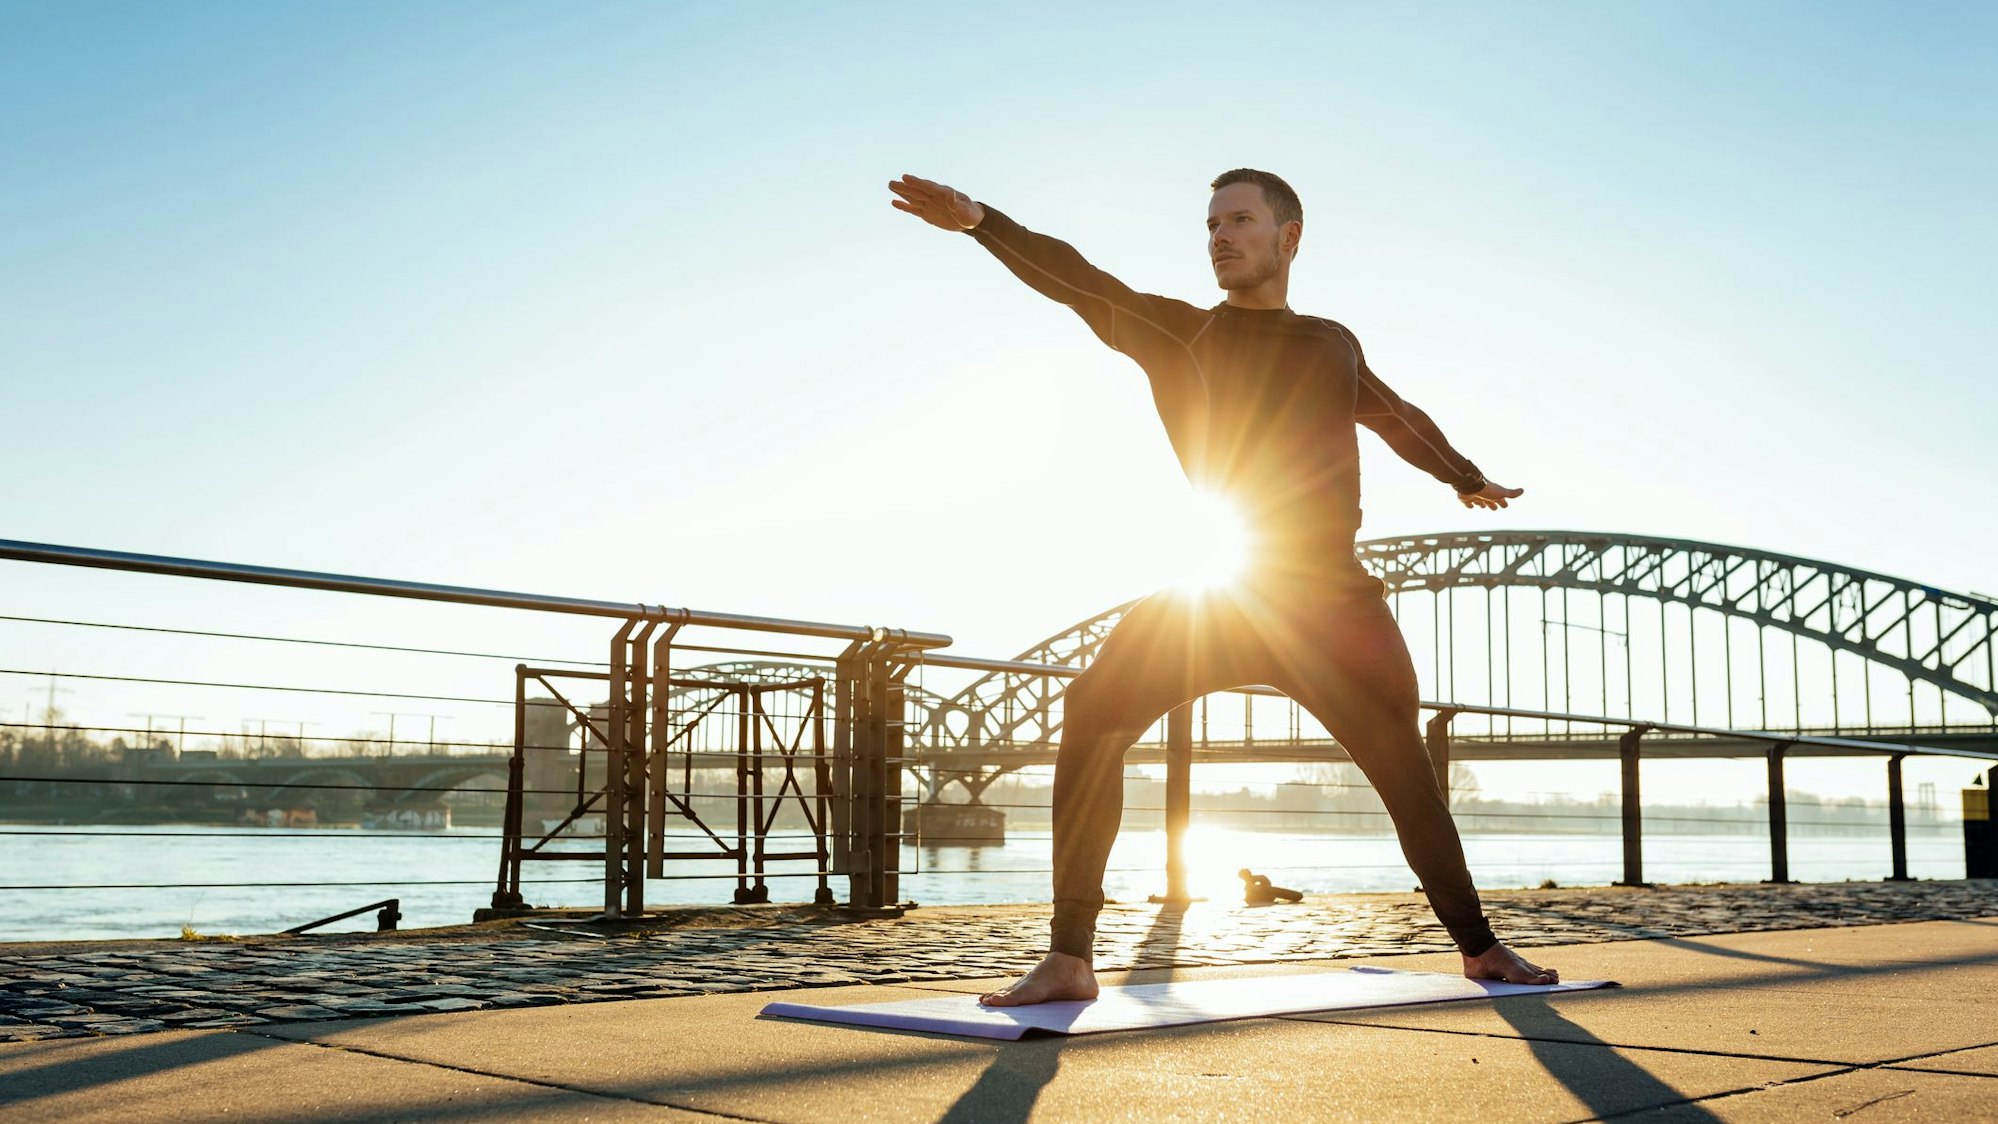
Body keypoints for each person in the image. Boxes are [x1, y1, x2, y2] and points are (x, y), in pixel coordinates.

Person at [888, 170, 1559, 1006]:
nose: (1220, 236)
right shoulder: (1178, 334)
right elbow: (1078, 281)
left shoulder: (1331, 343)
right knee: (1094, 715)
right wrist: (984, 223)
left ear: (1290, 236)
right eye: (1211, 223)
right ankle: (1069, 956)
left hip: (1331, 604)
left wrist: (1465, 476)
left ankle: (1481, 947)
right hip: (1223, 593)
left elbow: (1395, 417)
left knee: (1404, 768)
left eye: (1241, 220)